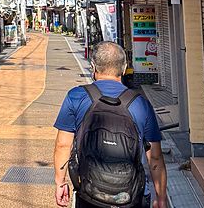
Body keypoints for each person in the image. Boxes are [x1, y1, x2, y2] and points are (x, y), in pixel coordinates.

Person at [52, 42, 167, 208]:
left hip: (89, 194)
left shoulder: (76, 96)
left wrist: (60, 182)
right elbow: (155, 157)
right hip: (132, 196)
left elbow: (63, 145)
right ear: (125, 67)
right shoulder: (141, 104)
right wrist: (161, 197)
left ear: (93, 66)